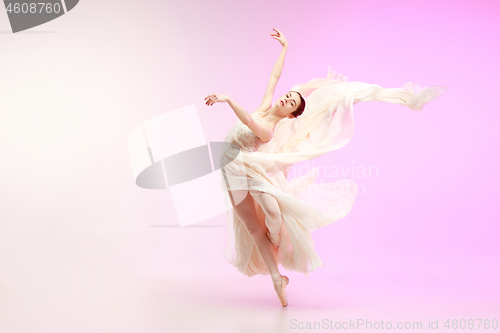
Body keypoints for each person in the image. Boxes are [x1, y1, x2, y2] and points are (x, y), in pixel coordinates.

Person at [204, 29, 447, 307]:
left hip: (250, 166)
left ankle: (275, 237)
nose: (286, 99)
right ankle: (277, 278)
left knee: (271, 209)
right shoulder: (265, 107)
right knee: (250, 225)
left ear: (292, 115)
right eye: (288, 96)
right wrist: (285, 47)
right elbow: (274, 77)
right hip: (229, 167)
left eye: (292, 103)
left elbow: (249, 122)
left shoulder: (268, 130)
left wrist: (228, 99)